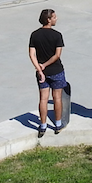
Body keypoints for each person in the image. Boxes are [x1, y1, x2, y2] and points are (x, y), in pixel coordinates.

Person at [28, 8, 65, 137]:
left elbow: (31, 54)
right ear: (48, 20)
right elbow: (57, 55)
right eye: (54, 17)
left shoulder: (34, 35)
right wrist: (45, 65)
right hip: (56, 71)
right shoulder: (57, 35)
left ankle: (43, 125)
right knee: (57, 98)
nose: (56, 19)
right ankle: (58, 124)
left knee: (43, 99)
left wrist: (39, 68)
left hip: (41, 73)